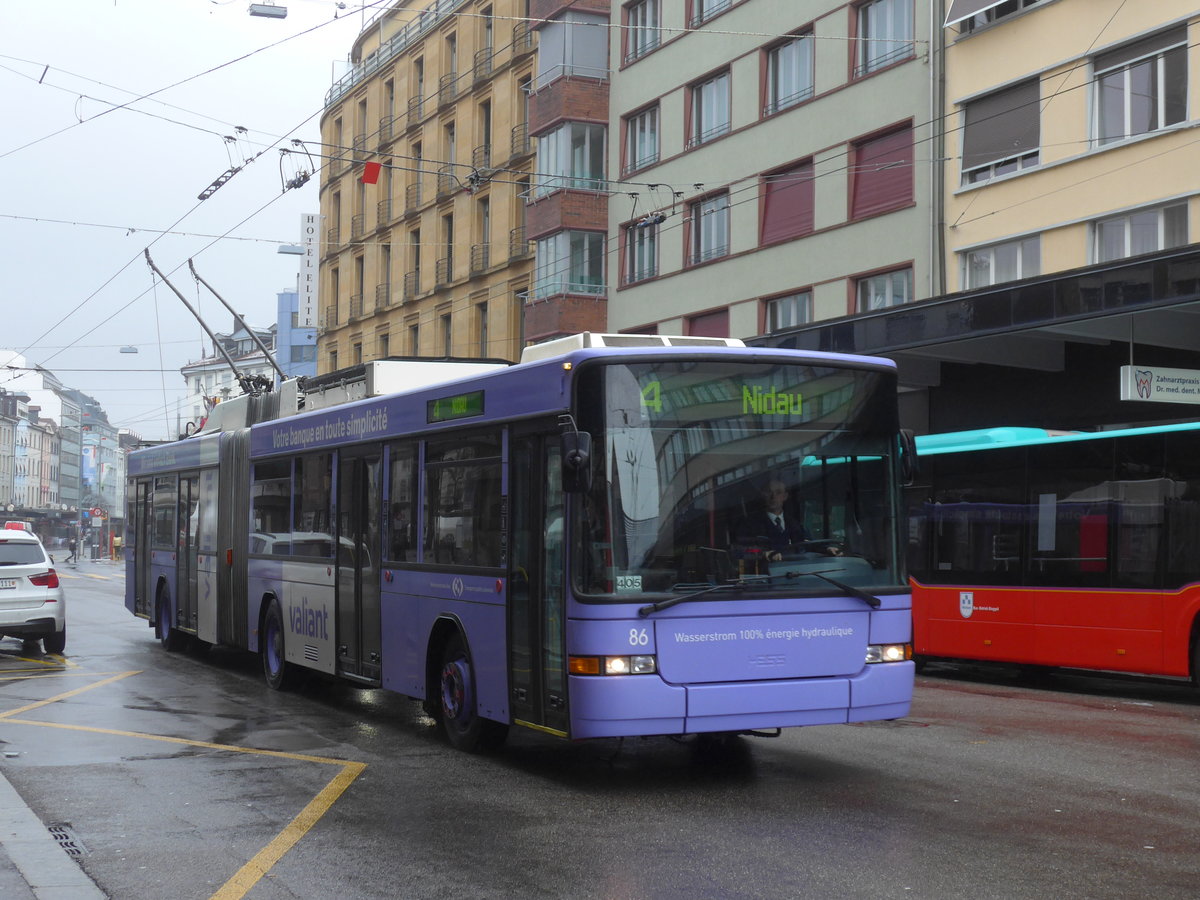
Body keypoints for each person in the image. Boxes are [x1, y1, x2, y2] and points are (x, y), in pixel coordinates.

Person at [735, 479, 809, 561]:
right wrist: (763, 553)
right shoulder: (750, 524)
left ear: (785, 496)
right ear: (762, 495)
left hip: (797, 568)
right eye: (769, 492)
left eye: (778, 492)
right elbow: (742, 550)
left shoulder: (795, 524)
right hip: (766, 568)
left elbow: (808, 545)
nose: (773, 497)